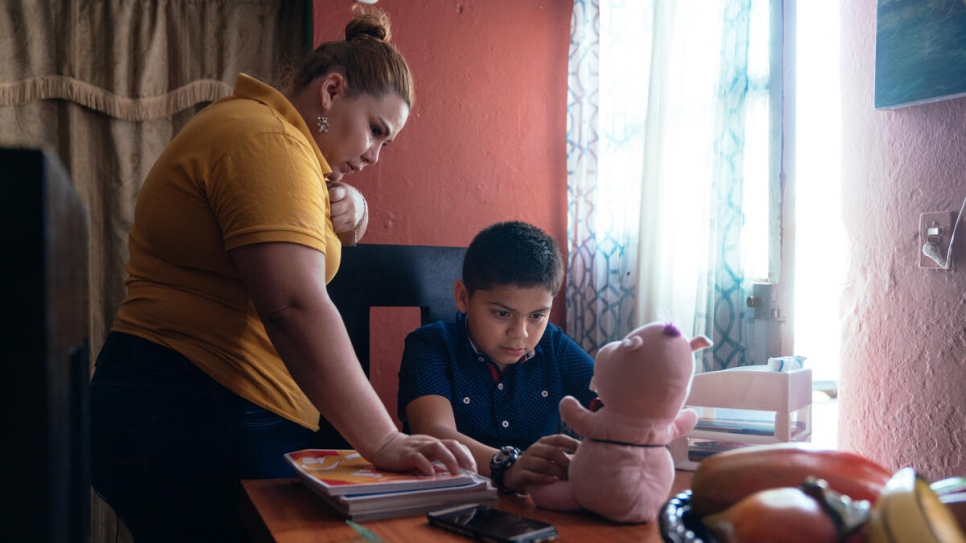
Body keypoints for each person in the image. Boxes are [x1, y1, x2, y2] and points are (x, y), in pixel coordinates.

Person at [89, 8, 474, 543]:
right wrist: (384, 440)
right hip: (192, 405)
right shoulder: (271, 142)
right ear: (332, 91)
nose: (375, 155)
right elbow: (293, 305)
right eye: (375, 131)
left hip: (188, 403)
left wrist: (351, 209)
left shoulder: (272, 138)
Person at [397, 221, 597, 496]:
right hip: (441, 500)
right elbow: (434, 433)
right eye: (502, 313)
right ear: (463, 297)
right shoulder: (431, 346)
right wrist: (508, 467)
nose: (520, 333)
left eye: (537, 316)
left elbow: (615, 408)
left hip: (533, 504)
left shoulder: (555, 347)